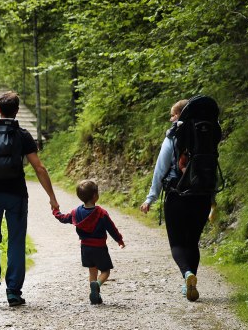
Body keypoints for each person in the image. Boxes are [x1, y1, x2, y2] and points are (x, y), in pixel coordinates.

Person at [0, 91, 59, 307]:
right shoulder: (22, 134)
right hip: (17, 193)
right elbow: (39, 168)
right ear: (16, 111)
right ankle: (14, 293)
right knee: (16, 242)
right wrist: (52, 198)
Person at [140, 99, 214, 302]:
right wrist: (212, 201)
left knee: (177, 244)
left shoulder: (173, 136)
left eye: (173, 115)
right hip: (202, 196)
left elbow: (160, 169)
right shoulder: (205, 136)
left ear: (181, 115)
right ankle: (190, 281)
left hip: (177, 195)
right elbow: (210, 169)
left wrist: (151, 197)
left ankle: (187, 274)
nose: (171, 118)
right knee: (193, 242)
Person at [52, 179, 125, 305]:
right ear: (95, 196)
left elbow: (63, 218)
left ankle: (95, 295)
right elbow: (111, 228)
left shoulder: (75, 213)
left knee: (92, 270)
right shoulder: (101, 213)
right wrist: (119, 240)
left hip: (85, 248)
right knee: (105, 271)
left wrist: (55, 211)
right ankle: (97, 285)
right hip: (100, 248)